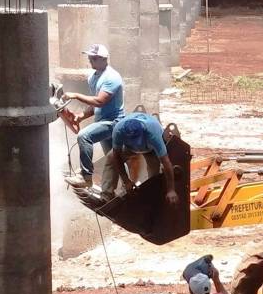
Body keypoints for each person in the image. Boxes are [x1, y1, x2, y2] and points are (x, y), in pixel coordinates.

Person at [64, 43, 125, 188]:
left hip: (113, 122)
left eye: (95, 58)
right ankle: (123, 187)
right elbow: (94, 105)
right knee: (114, 158)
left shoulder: (112, 77)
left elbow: (100, 101)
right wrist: (81, 116)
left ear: (104, 59)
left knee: (84, 136)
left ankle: (86, 177)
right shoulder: (93, 77)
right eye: (90, 57)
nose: (91, 60)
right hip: (102, 121)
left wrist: (76, 95)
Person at [100, 112, 179, 204]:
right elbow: (116, 157)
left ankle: (151, 198)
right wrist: (126, 181)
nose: (137, 143)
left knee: (154, 175)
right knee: (110, 158)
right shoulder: (118, 131)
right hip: (129, 147)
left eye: (137, 139)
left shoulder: (153, 134)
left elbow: (166, 163)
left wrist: (171, 190)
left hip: (151, 149)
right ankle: (107, 194)